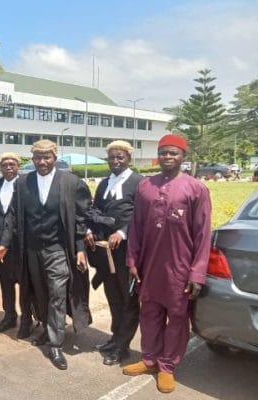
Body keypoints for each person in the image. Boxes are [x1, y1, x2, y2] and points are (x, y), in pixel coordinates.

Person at [122, 134, 211, 394]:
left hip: (180, 267)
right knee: (149, 313)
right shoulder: (145, 187)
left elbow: (203, 233)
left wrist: (197, 272)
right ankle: (149, 358)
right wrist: (132, 259)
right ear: (158, 156)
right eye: (164, 153)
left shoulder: (196, 188)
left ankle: (167, 366)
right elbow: (136, 226)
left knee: (177, 317)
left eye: (173, 153)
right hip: (149, 265)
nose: (168, 157)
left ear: (183, 156)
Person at [0, 139, 92, 370]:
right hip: (31, 250)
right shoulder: (23, 183)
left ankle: (56, 343)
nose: (42, 161)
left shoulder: (71, 182)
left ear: (54, 158)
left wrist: (79, 248)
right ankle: (48, 331)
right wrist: (4, 244)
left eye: (47, 157)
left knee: (57, 294)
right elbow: (13, 218)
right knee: (40, 294)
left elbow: (80, 219)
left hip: (58, 249)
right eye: (37, 157)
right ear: (32, 159)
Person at [85, 140, 143, 366]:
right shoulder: (104, 183)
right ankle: (115, 337)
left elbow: (140, 214)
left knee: (128, 298)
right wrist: (89, 229)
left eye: (120, 157)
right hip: (105, 250)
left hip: (127, 250)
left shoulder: (138, 182)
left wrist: (122, 231)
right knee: (113, 297)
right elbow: (94, 209)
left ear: (129, 158)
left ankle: (123, 346)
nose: (116, 161)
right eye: (112, 158)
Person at [0, 152, 33, 338]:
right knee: (5, 282)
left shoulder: (26, 186)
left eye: (12, 164)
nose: (8, 167)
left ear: (18, 166)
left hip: (21, 244)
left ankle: (27, 319)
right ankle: (9, 316)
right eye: (4, 164)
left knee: (24, 285)